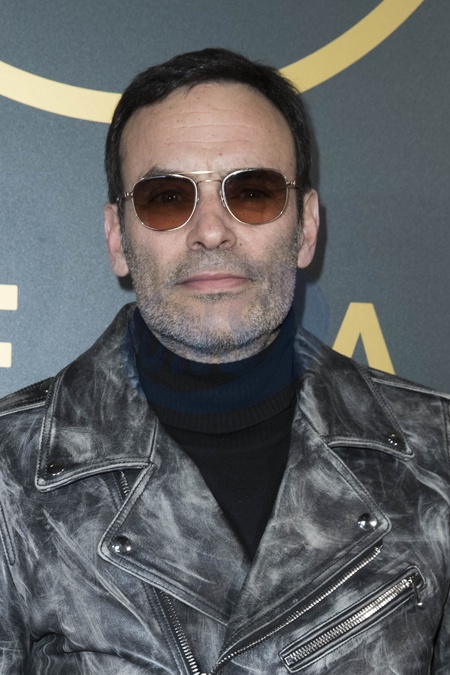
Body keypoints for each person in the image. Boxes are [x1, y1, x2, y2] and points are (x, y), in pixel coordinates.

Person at [0, 48, 448, 674]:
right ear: (118, 238)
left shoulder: (437, 454)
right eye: (165, 197)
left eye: (252, 192)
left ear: (306, 227)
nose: (211, 231)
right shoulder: (10, 475)